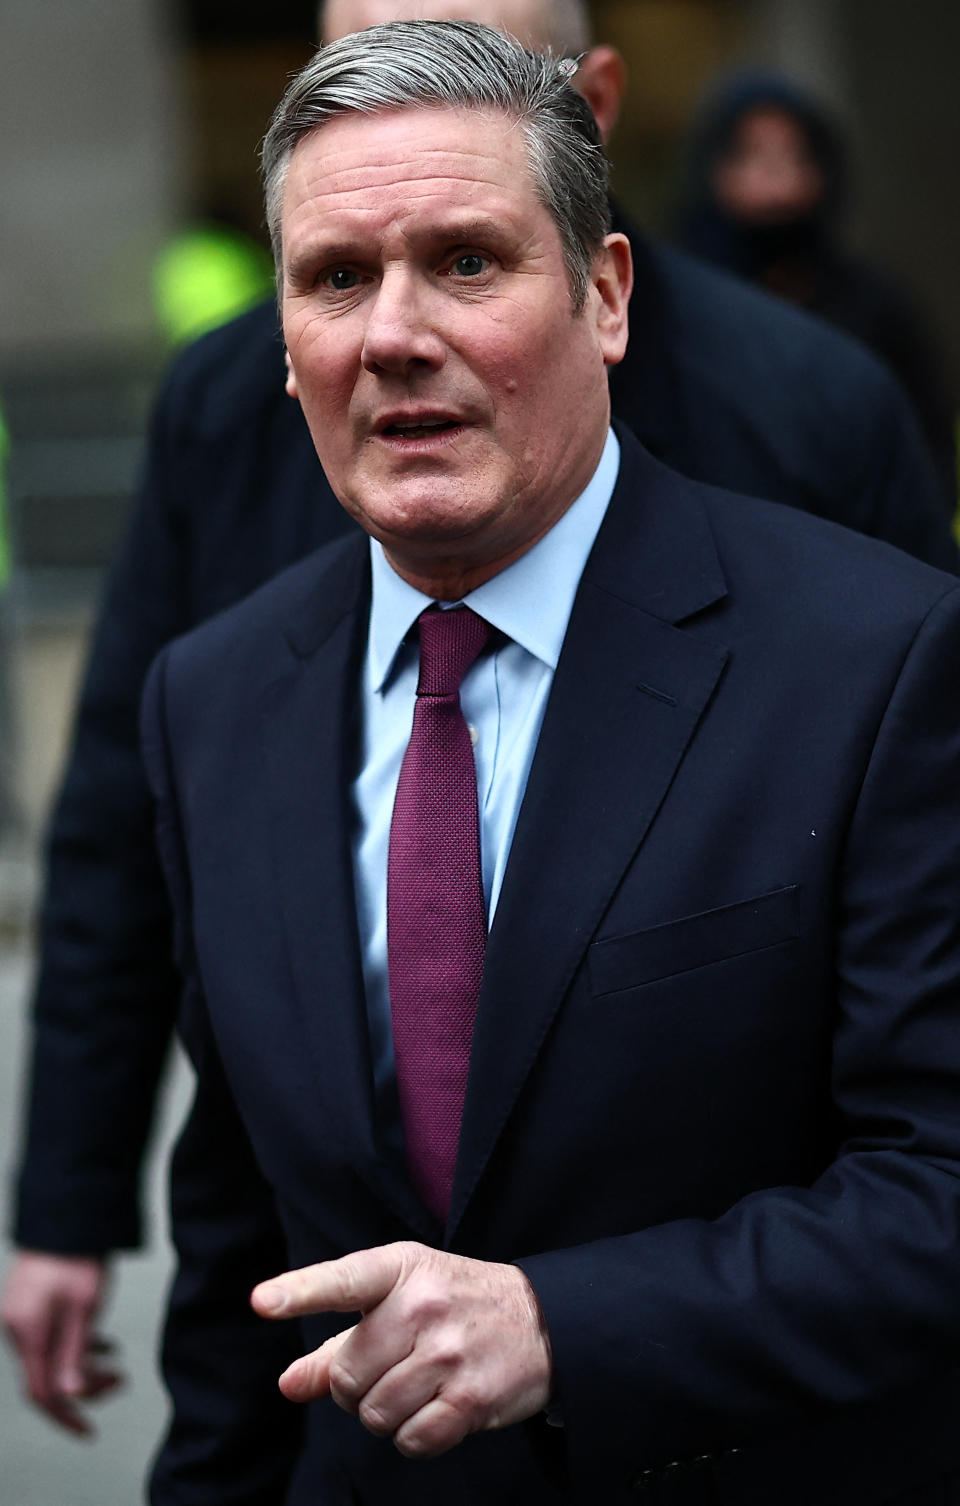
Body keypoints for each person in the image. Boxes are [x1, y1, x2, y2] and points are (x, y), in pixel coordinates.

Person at [4, 0, 958, 1444]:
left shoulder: (873, 658)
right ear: (281, 340)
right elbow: (245, 1248)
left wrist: (564, 1322)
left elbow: (936, 1184)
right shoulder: (214, 702)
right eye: (335, 277)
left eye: (465, 261)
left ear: (607, 294)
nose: (395, 335)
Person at [676, 68, 957, 509]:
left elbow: (927, 456)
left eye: (793, 157)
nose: (773, 179)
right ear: (714, 170)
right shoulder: (676, 307)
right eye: (751, 155)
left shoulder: (880, 309)